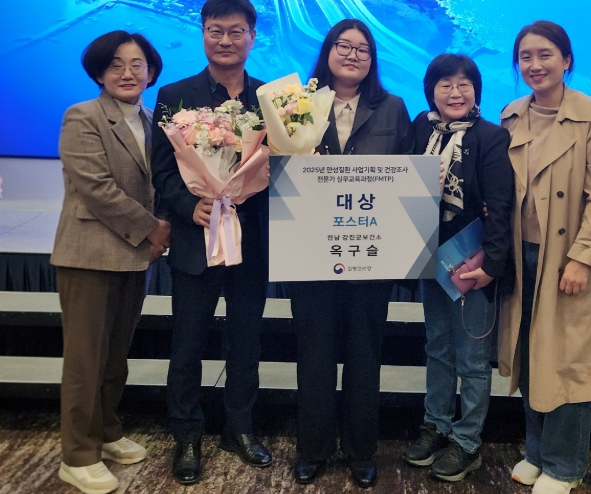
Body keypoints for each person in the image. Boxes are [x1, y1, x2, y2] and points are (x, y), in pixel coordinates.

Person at [497, 21, 591, 494]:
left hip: (567, 257)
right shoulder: (511, 115)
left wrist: (583, 257)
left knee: (567, 360)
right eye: (526, 56)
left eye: (545, 54)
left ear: (567, 60)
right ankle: (537, 452)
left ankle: (565, 466)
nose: (535, 65)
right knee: (530, 354)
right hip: (520, 255)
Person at [288, 18, 413, 488]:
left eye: (363, 49)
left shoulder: (393, 108)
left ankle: (361, 450)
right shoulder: (298, 106)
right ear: (327, 51)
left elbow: (407, 175)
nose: (353, 55)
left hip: (370, 253)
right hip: (309, 251)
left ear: (372, 60)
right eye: (344, 46)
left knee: (365, 355)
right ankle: (313, 448)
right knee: (314, 354)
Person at [150, 0, 271, 485]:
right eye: (216, 31)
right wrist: (189, 205)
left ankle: (239, 428)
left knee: (246, 342)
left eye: (236, 31)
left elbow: (284, 168)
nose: (225, 40)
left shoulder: (271, 101)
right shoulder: (175, 96)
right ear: (202, 33)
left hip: (251, 243)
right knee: (187, 343)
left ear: (252, 37)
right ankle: (187, 435)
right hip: (194, 241)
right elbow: (162, 169)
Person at [52, 31, 167, 494]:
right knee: (86, 359)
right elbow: (97, 189)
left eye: (137, 64)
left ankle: (107, 430)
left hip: (134, 256)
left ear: (151, 72)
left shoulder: (153, 120)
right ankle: (77, 455)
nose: (127, 73)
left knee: (115, 355)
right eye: (116, 64)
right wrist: (154, 229)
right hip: (90, 254)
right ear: (99, 72)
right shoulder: (83, 116)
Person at [401, 54, 514, 482]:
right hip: (430, 257)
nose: (455, 92)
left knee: (472, 358)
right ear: (430, 90)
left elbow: (500, 206)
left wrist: (492, 265)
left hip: (471, 262)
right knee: (437, 347)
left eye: (464, 84)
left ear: (476, 92)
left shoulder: (491, 137)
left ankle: (467, 442)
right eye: (445, 84)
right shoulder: (420, 128)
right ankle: (436, 425)